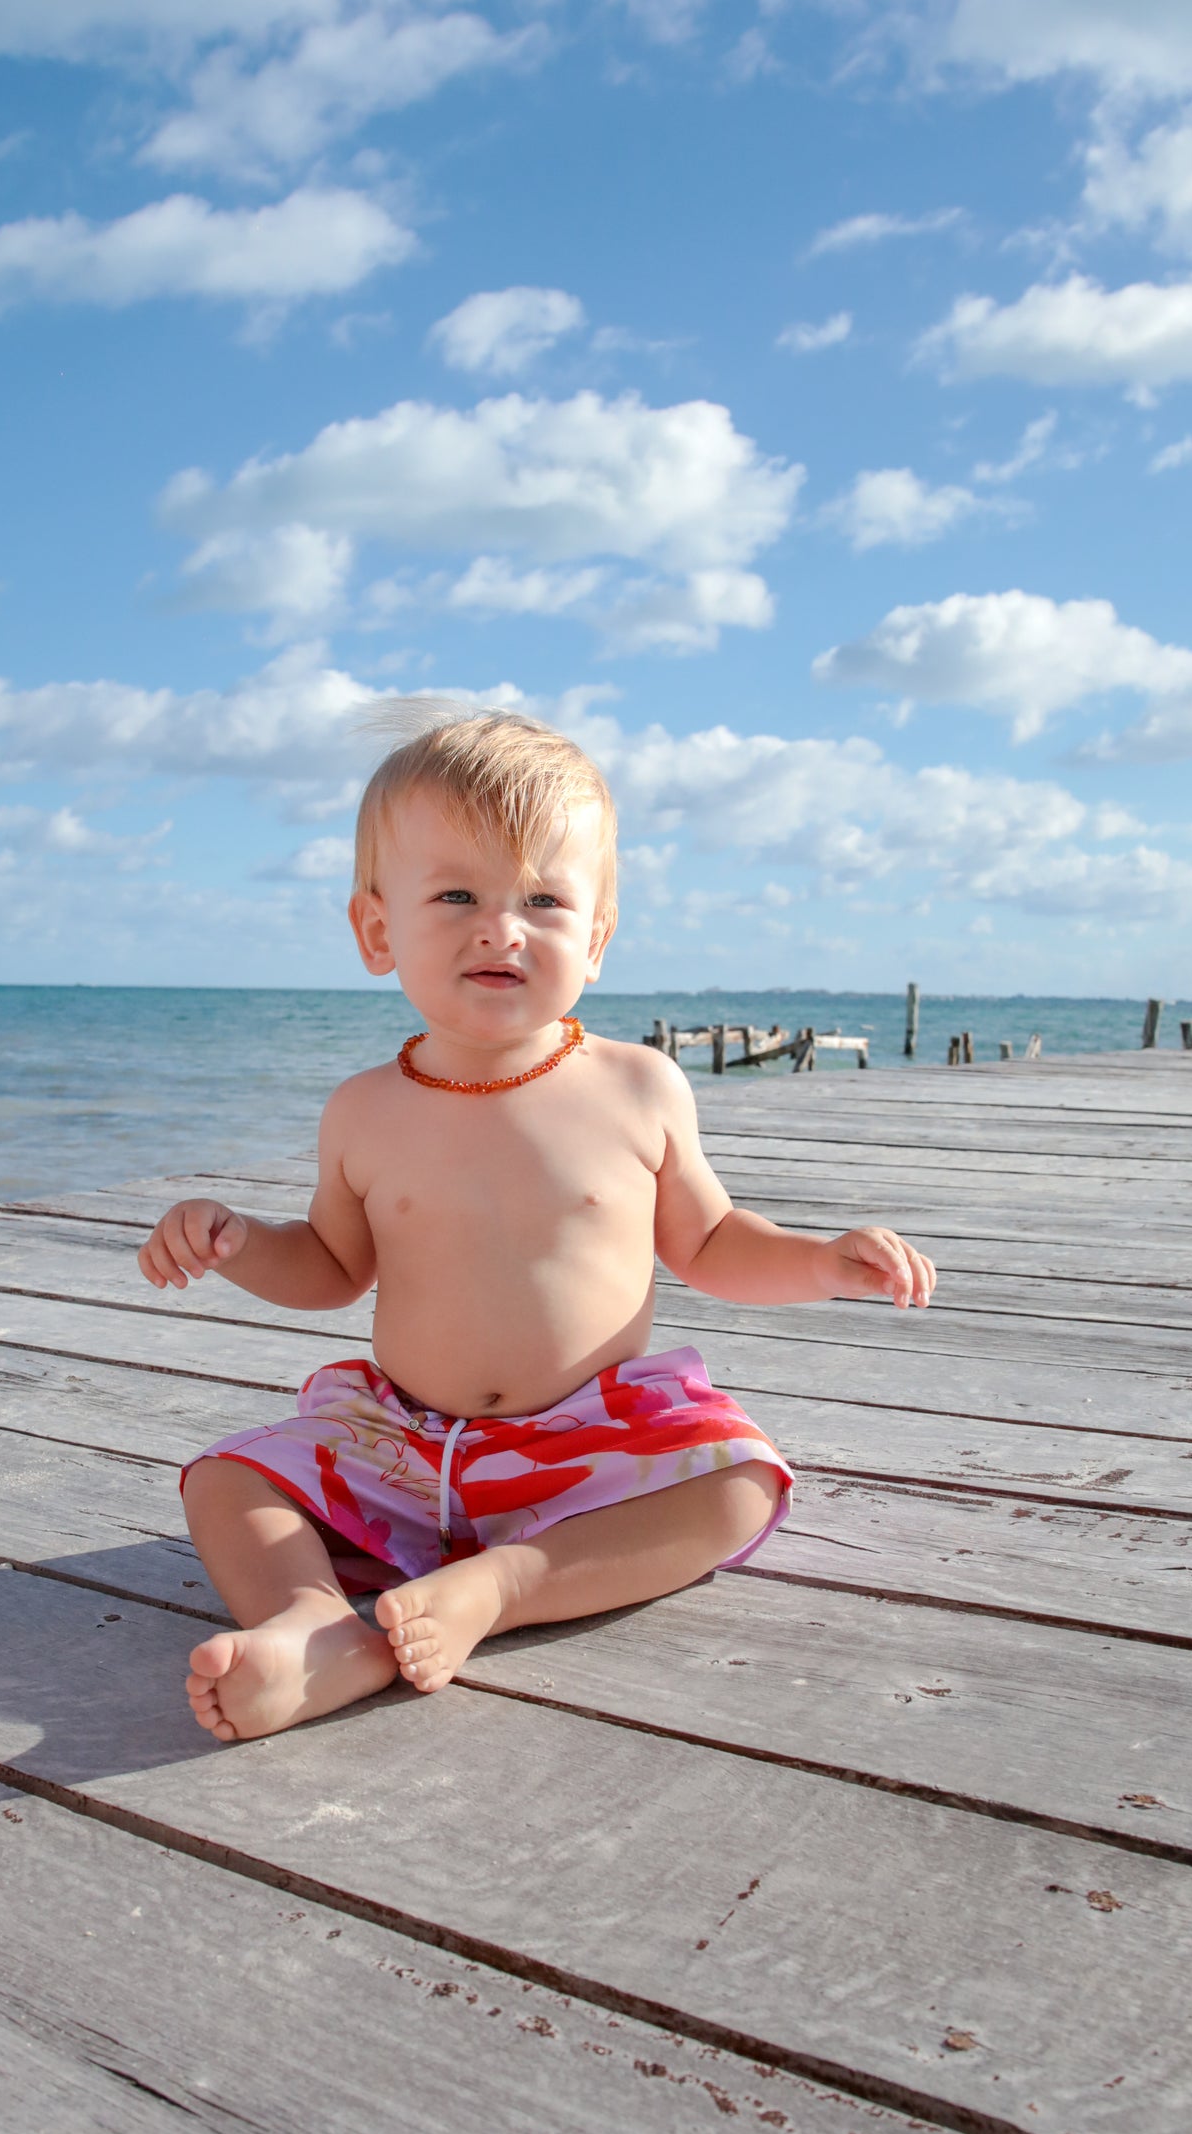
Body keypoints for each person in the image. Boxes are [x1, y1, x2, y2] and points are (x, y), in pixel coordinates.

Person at [139, 712, 936, 1742]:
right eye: (457, 894)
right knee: (228, 1479)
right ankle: (311, 1625)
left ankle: (501, 1586)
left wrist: (820, 1260)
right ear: (377, 929)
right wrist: (239, 1239)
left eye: (543, 899)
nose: (500, 927)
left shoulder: (634, 1087)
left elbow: (709, 1239)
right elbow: (332, 1267)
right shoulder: (363, 1109)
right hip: (404, 1436)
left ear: (594, 937)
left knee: (739, 1483)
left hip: (587, 1441)